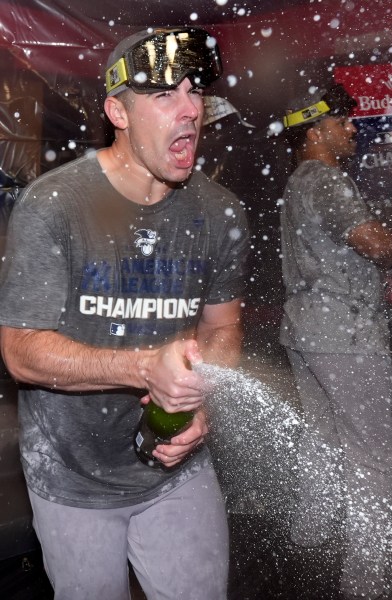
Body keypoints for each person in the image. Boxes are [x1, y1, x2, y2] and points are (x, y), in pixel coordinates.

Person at [0, 27, 249, 600]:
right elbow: (19, 351)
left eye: (194, 91)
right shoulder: (53, 205)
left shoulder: (221, 212)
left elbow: (222, 328)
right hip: (71, 476)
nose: (190, 110)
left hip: (177, 469)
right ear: (118, 110)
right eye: (164, 95)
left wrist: (197, 397)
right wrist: (144, 369)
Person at [278, 83, 392, 600]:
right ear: (317, 129)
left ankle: (309, 540)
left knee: (321, 440)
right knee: (373, 454)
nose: (352, 129)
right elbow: (371, 241)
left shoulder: (299, 180)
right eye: (344, 122)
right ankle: (365, 581)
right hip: (344, 335)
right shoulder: (327, 179)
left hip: (306, 328)